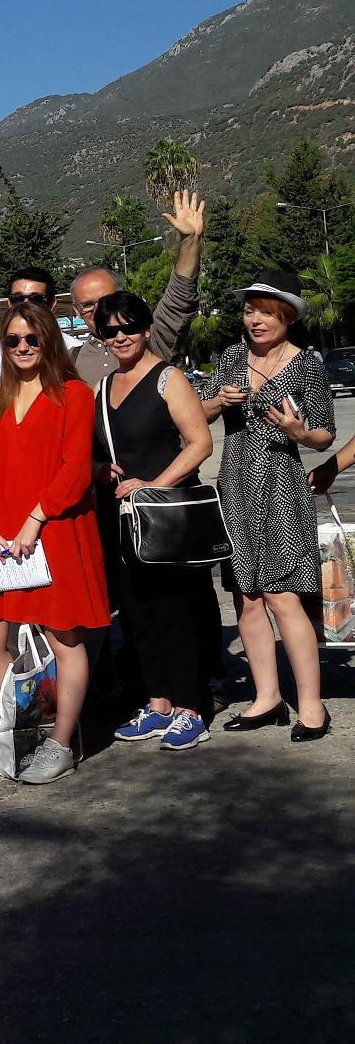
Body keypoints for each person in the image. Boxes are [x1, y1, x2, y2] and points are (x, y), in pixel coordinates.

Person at [0, 301, 109, 784]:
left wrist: (34, 519)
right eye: (13, 340)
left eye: (33, 338)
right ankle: (14, 730)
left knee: (64, 637)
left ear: (49, 340)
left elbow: (74, 469)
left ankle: (60, 742)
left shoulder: (74, 393)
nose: (23, 347)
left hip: (56, 528)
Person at [197, 273, 334, 741]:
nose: (254, 320)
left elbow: (324, 434)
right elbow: (200, 415)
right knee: (246, 597)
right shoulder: (233, 357)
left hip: (280, 484)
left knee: (283, 595)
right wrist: (218, 400)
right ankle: (267, 698)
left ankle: (311, 707)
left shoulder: (307, 365)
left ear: (287, 317)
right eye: (249, 310)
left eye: (265, 312)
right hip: (235, 481)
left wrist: (299, 432)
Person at [92, 291, 219, 752]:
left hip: (165, 516)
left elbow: (199, 442)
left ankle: (191, 708)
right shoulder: (104, 387)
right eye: (110, 330)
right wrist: (98, 470)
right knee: (138, 610)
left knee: (175, 611)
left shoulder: (169, 378)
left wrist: (154, 484)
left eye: (128, 327)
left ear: (146, 328)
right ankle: (158, 702)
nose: (120, 336)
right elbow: (102, 453)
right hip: (123, 519)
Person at [69, 191, 205, 386]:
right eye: (88, 305)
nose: (100, 309)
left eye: (108, 300)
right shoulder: (68, 363)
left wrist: (190, 241)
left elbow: (179, 299)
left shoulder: (150, 341)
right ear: (76, 311)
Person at [6, 268, 83, 351]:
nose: (26, 305)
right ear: (9, 303)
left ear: (52, 304)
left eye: (36, 299)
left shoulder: (76, 355)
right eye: (17, 298)